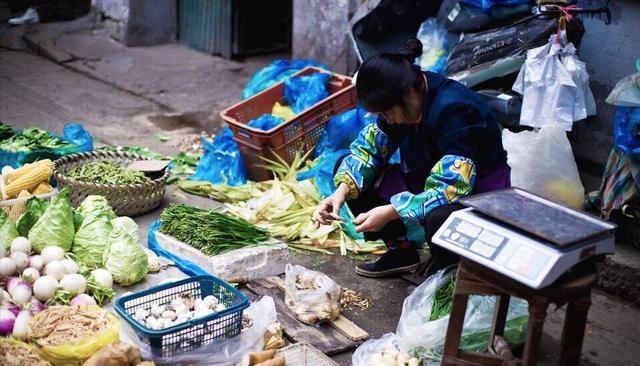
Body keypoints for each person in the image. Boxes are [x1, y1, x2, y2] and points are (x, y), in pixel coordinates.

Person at [315, 38, 510, 278]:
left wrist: (389, 212)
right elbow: (368, 151)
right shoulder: (400, 104)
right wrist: (339, 194)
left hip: (474, 192)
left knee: (440, 217)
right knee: (348, 172)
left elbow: (451, 188)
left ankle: (448, 270)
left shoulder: (456, 110)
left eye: (387, 113)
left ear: (408, 94)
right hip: (424, 175)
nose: (388, 120)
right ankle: (401, 251)